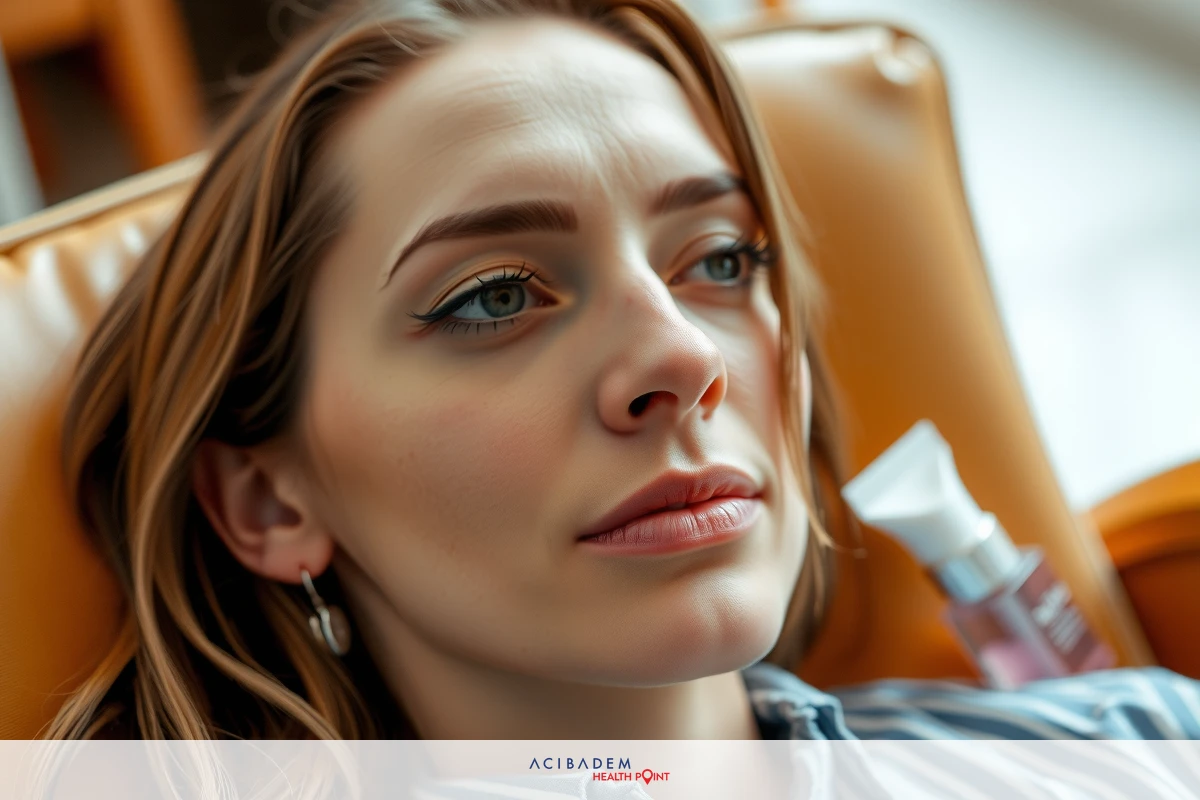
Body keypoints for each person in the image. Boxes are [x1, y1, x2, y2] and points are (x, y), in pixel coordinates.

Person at [47, 0, 1200, 747]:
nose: (684, 357)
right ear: (271, 498)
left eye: (720, 259)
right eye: (496, 296)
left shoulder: (1132, 740)